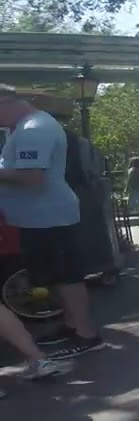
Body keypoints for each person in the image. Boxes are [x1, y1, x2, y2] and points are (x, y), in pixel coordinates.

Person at [0, 85, 103, 359]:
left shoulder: (33, 129)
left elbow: (31, 177)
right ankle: (72, 324)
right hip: (38, 218)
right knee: (56, 276)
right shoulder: (28, 127)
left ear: (6, 102)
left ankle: (87, 334)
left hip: (48, 217)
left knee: (67, 277)